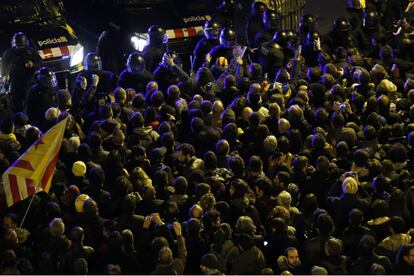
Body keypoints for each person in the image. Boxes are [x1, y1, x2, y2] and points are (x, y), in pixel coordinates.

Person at [1, 32, 42, 112]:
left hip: (30, 84)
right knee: (17, 107)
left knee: (32, 106)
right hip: (15, 86)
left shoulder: (31, 52)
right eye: (18, 45)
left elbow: (40, 64)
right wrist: (4, 75)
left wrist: (33, 65)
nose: (20, 48)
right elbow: (3, 65)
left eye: (22, 45)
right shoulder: (8, 53)